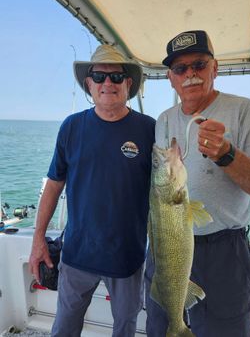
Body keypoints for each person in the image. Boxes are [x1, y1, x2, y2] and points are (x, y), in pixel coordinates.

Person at [145, 30, 250, 337]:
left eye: (199, 64)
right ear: (170, 78)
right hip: (166, 246)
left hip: (223, 251)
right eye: (180, 69)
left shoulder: (244, 111)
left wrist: (227, 154)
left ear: (215, 68)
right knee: (161, 326)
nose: (190, 74)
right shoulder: (164, 120)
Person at [29, 44, 155, 337]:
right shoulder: (71, 127)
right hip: (77, 254)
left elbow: (170, 188)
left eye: (115, 76)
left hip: (128, 257)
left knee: (125, 327)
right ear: (88, 83)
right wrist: (38, 239)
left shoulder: (149, 129)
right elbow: (53, 184)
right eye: (98, 77)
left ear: (129, 83)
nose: (107, 83)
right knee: (64, 328)